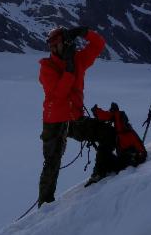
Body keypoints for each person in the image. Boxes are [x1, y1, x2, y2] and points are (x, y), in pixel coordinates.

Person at [37, 25, 116, 206]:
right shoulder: (47, 67)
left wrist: (84, 32)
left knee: (107, 133)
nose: (53, 48)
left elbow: (98, 44)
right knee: (52, 163)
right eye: (51, 44)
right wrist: (69, 70)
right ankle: (45, 204)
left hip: (73, 118)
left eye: (56, 43)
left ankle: (101, 171)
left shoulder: (78, 60)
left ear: (66, 43)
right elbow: (58, 94)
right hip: (55, 121)